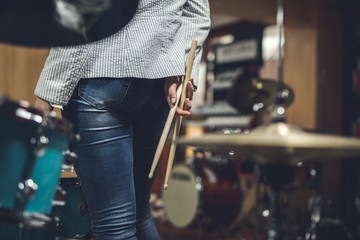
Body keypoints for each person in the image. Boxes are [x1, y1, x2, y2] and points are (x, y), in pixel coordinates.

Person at [34, 0, 211, 239]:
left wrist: (46, 95)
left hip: (101, 72)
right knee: (140, 214)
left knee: (114, 226)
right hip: (158, 87)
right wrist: (179, 67)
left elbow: (82, 18)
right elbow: (197, 13)